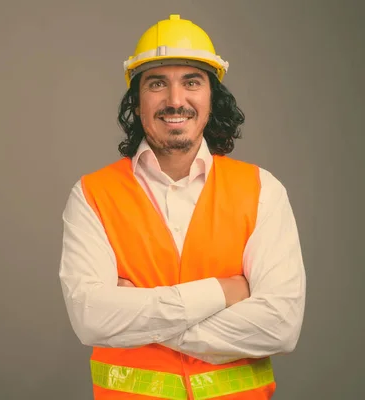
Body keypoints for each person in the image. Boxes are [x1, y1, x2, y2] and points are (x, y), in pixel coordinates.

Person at [58, 14, 306, 400]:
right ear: (137, 103)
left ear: (211, 99)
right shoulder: (92, 194)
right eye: (157, 84)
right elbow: (92, 319)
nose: (175, 100)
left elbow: (281, 326)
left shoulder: (262, 190)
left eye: (192, 82)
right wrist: (223, 292)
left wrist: (137, 316)